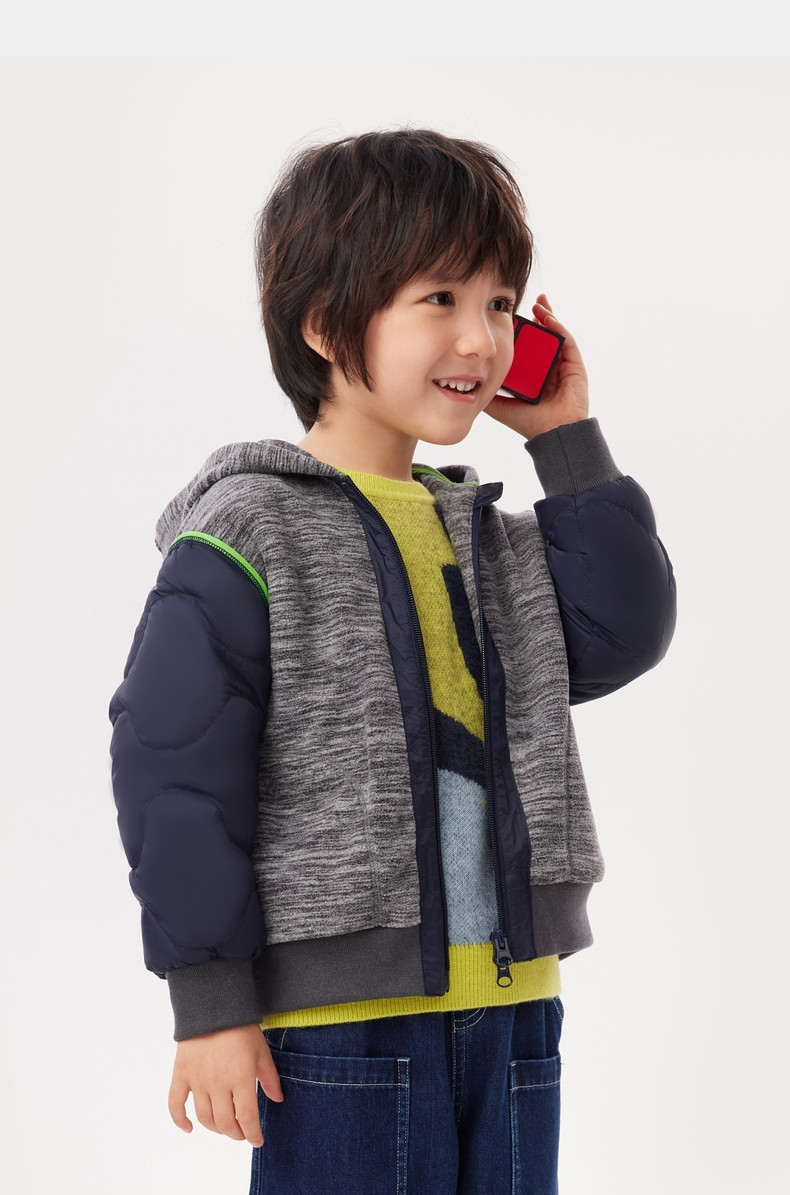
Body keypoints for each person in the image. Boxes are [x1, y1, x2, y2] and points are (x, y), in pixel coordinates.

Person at [109, 128, 676, 1194]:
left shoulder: (493, 539)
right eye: (440, 298)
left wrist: (566, 438)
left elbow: (623, 631)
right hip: (340, 1032)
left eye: (501, 302)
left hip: (512, 1010)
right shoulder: (248, 530)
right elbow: (174, 769)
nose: (481, 337)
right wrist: (212, 1000)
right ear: (326, 323)